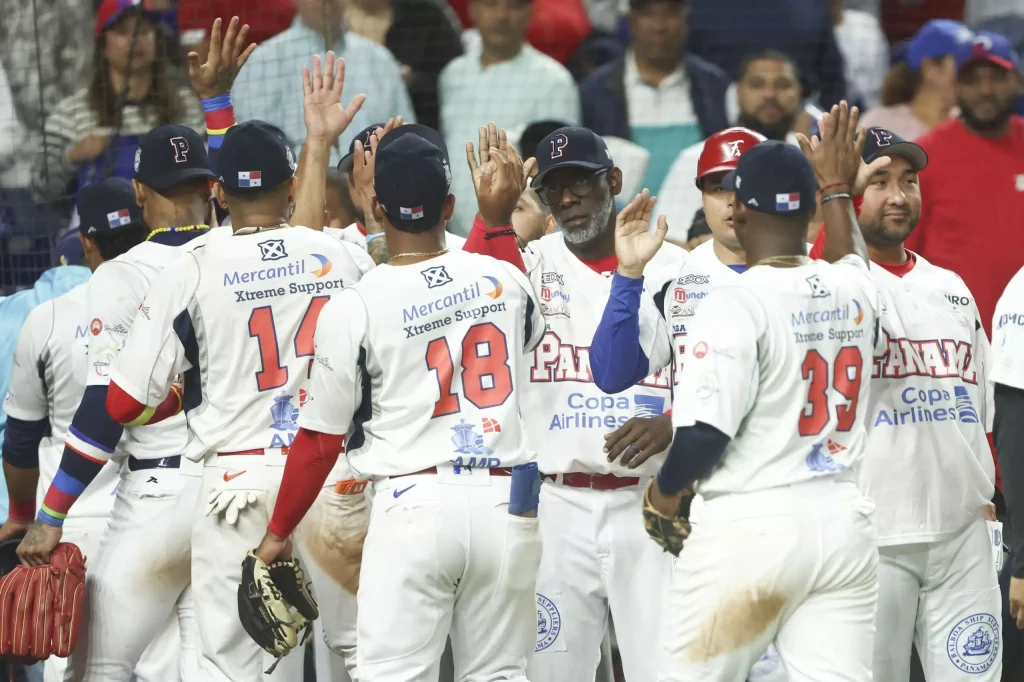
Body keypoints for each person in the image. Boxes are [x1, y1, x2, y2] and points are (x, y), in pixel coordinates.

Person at [104, 52, 372, 682]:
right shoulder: (337, 255)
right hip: (332, 476)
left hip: (236, 486)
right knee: (365, 653)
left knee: (231, 666)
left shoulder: (189, 266)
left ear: (218, 192)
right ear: (290, 187)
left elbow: (120, 405)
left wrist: (180, 394)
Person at [252, 125, 546, 680]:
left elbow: (318, 442)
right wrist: (499, 219)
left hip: (414, 505)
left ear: (377, 205)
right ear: (450, 205)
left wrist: (277, 532)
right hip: (506, 505)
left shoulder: (355, 304)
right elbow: (525, 337)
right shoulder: (503, 278)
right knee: (500, 674)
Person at [14, 19, 257, 680]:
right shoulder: (243, 252)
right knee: (211, 668)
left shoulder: (118, 278)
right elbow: (246, 188)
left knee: (102, 668)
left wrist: (50, 514)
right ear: (213, 189)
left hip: (158, 493)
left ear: (142, 196)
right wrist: (217, 104)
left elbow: (105, 405)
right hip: (239, 490)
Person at [636, 103, 881, 680]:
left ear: (741, 211)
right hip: (843, 522)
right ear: (812, 210)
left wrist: (666, 493)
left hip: (751, 527)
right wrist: (839, 186)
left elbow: (704, 434)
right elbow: (850, 253)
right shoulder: (854, 288)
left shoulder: (733, 303)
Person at [460, 124, 684, 682]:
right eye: (553, 189)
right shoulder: (530, 264)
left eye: (579, 185)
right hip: (557, 507)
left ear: (613, 180)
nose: (565, 201)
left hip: (651, 503)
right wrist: (491, 216)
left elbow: (729, 376)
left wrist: (678, 425)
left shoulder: (677, 269)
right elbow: (466, 313)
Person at [821, 128, 1001, 680]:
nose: (899, 195)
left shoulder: (950, 287)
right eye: (879, 181)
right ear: (848, 193)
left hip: (962, 531)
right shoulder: (825, 283)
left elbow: (984, 408)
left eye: (909, 181)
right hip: (873, 533)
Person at [0, 178, 177, 682]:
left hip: (69, 519)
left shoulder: (47, 315)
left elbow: (19, 440)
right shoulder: (173, 287)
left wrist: (21, 515)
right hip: (156, 499)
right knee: (166, 667)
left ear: (86, 242)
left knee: (81, 671)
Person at [905, 31, 1024, 337]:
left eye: (996, 78)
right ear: (955, 87)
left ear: (1018, 81)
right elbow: (902, 256)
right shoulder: (924, 156)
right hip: (954, 341)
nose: (985, 90)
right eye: (972, 80)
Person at [30, 0, 204, 205]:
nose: (135, 39)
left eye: (144, 30)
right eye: (122, 31)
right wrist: (72, 156)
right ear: (102, 45)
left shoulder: (186, 105)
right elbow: (40, 191)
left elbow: (207, 176)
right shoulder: (71, 113)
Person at [439, 0, 580, 236]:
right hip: (452, 238)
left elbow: (561, 173)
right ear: (472, 10)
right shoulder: (452, 76)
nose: (502, 16)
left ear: (529, 11)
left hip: (523, 240)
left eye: (513, 5)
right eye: (490, 4)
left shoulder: (553, 81)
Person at [231, 0, 415, 167]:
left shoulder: (379, 59)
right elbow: (249, 150)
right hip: (293, 196)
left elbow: (407, 139)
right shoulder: (262, 62)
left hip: (374, 194)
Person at [579, 0, 730, 196]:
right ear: (630, 20)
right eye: (648, 14)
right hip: (622, 220)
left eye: (670, 14)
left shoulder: (713, 86)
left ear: (686, 18)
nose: (659, 26)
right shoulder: (595, 91)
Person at [654, 51, 802, 242]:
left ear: (799, 92)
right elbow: (665, 239)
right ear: (738, 93)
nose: (770, 94)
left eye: (783, 85)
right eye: (757, 84)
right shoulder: (697, 158)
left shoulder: (811, 158)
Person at [339, 120, 467, 265]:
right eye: (363, 168)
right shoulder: (336, 248)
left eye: (392, 171)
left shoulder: (461, 249)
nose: (374, 182)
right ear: (350, 182)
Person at [345, 0, 464, 130]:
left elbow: (457, 76)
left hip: (417, 129)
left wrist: (413, 80)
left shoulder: (427, 14)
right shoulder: (330, 15)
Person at [860, 19, 972, 140]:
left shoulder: (974, 126)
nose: (972, 74)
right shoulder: (879, 125)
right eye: (963, 64)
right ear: (930, 68)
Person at [829, 0, 888, 110]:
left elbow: (882, 77)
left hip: (873, 108)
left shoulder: (867, 25)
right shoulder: (808, 34)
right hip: (828, 111)